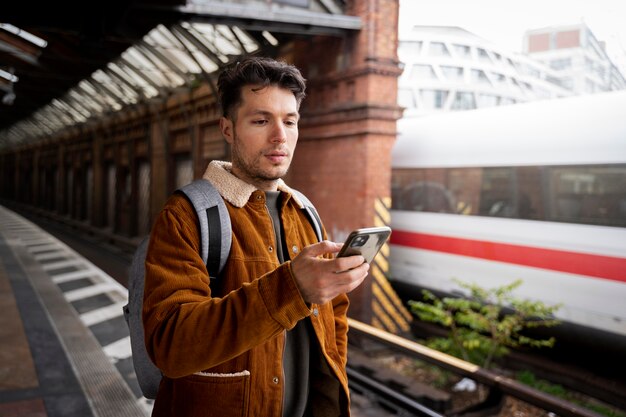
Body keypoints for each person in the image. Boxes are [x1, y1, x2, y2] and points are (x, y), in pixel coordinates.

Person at [143, 57, 370, 417]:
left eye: (290, 121)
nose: (280, 135)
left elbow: (334, 317)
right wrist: (292, 288)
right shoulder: (186, 216)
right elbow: (171, 346)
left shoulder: (305, 212)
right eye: (261, 121)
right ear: (228, 129)